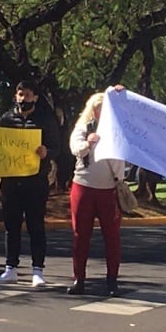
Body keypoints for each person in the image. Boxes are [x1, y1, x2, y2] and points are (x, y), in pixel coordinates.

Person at [0, 80, 60, 287]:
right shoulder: (7, 119)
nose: (22, 98)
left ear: (35, 97)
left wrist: (47, 152)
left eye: (27, 95)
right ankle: (11, 268)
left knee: (36, 225)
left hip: (36, 181)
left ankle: (38, 270)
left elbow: (57, 148)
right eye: (20, 94)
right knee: (11, 226)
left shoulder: (45, 120)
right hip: (10, 181)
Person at [67, 85, 125, 296]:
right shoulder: (84, 127)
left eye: (105, 107)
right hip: (83, 186)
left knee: (112, 236)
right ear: (92, 109)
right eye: (98, 108)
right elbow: (75, 148)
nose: (101, 112)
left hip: (108, 189)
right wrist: (88, 144)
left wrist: (116, 92)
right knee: (80, 235)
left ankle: (112, 281)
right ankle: (79, 280)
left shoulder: (118, 128)